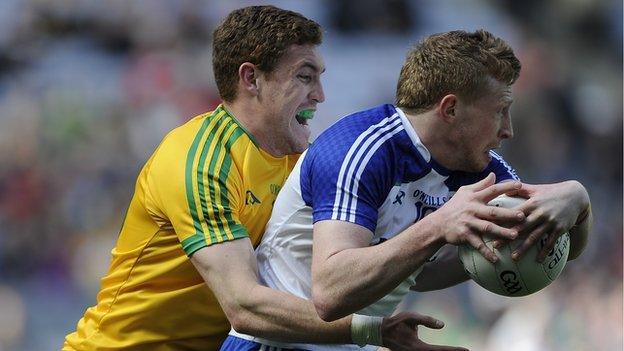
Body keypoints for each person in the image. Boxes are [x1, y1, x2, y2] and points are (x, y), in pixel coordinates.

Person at [63, 6, 462, 351]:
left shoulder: (304, 163)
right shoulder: (199, 161)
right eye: (305, 77)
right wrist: (371, 331)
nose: (321, 94)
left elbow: (388, 268)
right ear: (251, 78)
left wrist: (484, 250)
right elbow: (245, 305)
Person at [223, 29, 592, 350]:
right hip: (274, 345)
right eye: (499, 111)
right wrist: (438, 226)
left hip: (358, 345)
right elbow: (330, 293)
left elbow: (557, 252)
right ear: (450, 109)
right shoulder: (360, 149)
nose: (508, 130)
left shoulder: (480, 168)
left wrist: (578, 201)